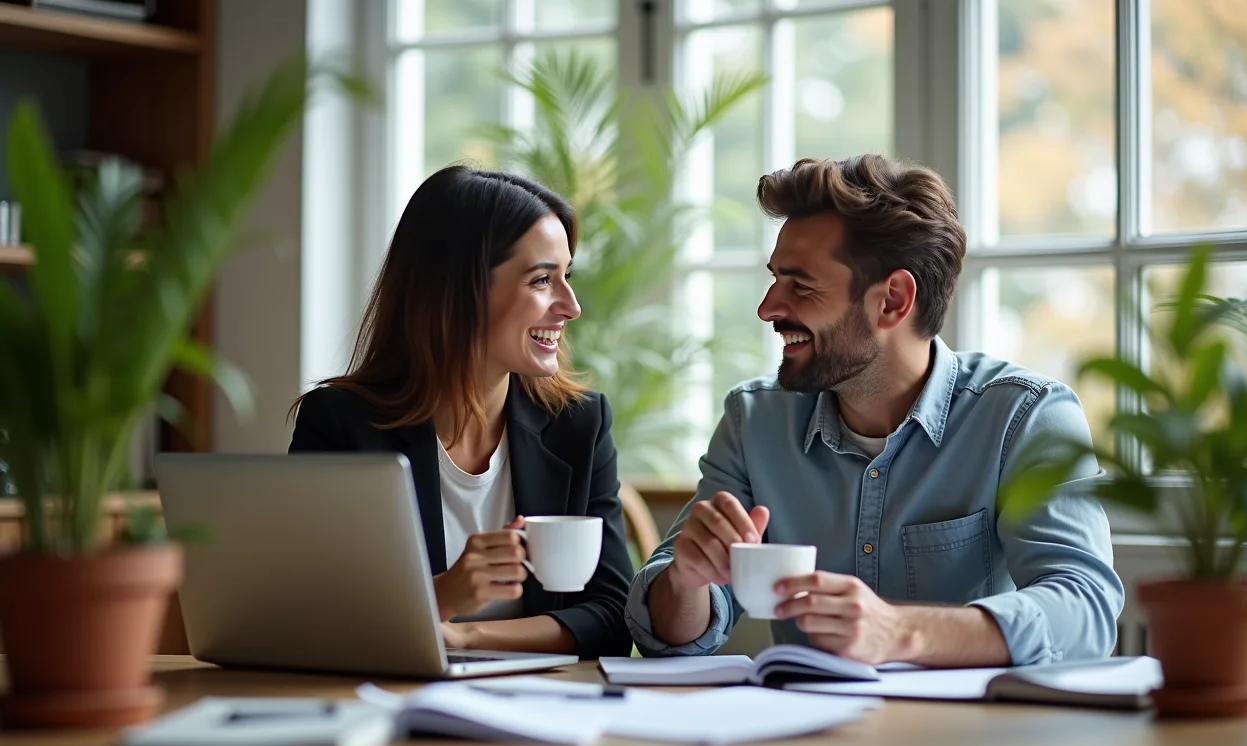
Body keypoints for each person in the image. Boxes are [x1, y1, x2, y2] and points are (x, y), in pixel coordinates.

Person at [626, 155, 1123, 667]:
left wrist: (903, 631)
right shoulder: (754, 422)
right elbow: (671, 634)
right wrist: (686, 582)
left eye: (801, 284)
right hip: (805, 737)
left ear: (892, 300)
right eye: (775, 279)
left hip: (968, 740)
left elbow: (1086, 608)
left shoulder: (1024, 417)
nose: (768, 307)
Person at [290, 165, 633, 659]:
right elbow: (311, 616)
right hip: (389, 704)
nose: (571, 306)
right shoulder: (341, 425)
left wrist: (467, 636)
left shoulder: (578, 424)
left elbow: (609, 614)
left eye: (567, 276)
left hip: (546, 711)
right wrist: (444, 595)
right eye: (542, 280)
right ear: (460, 289)